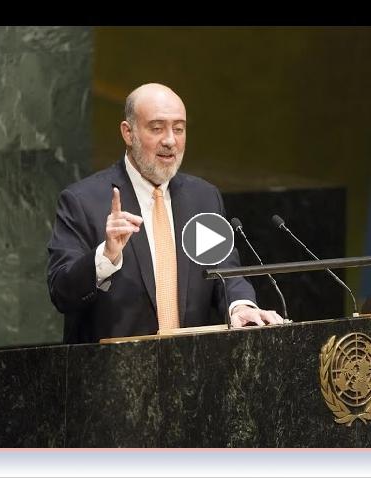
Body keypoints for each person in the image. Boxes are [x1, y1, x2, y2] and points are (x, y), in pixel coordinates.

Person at [47, 83, 284, 343]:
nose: (170, 140)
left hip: (192, 371)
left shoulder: (202, 198)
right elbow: (62, 293)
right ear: (128, 133)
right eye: (157, 128)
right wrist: (106, 255)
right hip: (115, 375)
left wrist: (241, 306)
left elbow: (223, 271)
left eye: (179, 129)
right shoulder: (83, 201)